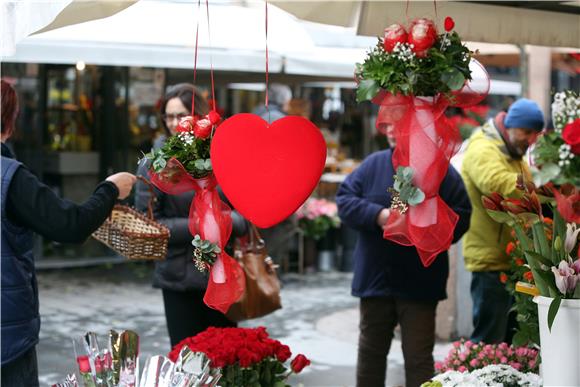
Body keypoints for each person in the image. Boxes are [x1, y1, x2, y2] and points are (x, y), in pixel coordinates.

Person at [0, 80, 137, 386]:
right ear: (9, 121)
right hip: (5, 338)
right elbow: (69, 225)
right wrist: (111, 188)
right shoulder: (9, 175)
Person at [336, 124, 472, 387]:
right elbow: (344, 200)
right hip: (376, 279)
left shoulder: (439, 169)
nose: (390, 130)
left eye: (399, 126)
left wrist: (431, 226)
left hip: (420, 281)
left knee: (419, 358)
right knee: (370, 353)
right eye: (387, 125)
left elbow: (463, 214)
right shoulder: (373, 164)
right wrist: (378, 215)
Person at [135, 83, 248, 348]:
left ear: (199, 116)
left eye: (181, 115)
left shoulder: (222, 155)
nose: (174, 123)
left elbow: (244, 212)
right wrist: (200, 226)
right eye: (169, 116)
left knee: (225, 359)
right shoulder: (155, 163)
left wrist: (228, 222)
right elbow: (148, 224)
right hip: (178, 279)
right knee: (187, 360)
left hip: (221, 276)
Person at [461, 98, 544, 344]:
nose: (530, 139)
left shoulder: (512, 152)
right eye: (526, 131)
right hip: (489, 260)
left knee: (508, 342)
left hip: (509, 261)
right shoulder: (483, 148)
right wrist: (545, 185)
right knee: (489, 340)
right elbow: (499, 184)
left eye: (534, 134)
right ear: (510, 125)